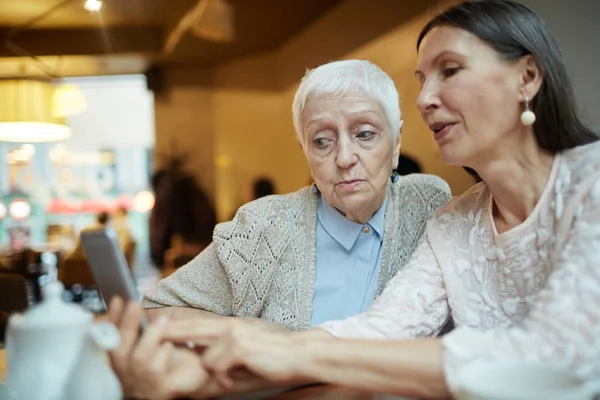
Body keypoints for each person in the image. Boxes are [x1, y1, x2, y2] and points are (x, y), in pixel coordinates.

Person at [109, 1, 600, 399]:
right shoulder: (455, 222)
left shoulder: (590, 182)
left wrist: (278, 348)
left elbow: (559, 355)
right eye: (422, 79)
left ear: (528, 78)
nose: (427, 96)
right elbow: (382, 328)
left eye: (449, 70)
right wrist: (196, 380)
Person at [108, 59, 452, 398]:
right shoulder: (263, 226)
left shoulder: (429, 205)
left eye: (364, 134)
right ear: (305, 150)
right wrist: (253, 331)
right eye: (322, 141)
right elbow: (152, 314)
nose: (345, 157)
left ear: (396, 143)